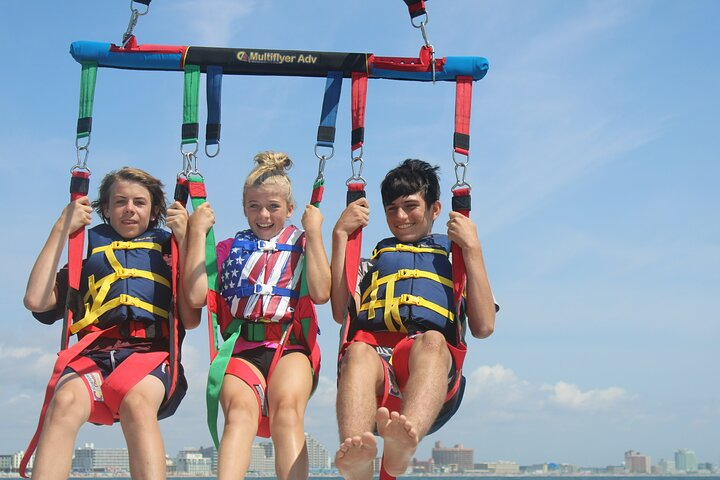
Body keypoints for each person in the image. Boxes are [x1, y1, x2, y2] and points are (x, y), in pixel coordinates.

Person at [22, 167, 201, 480]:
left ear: (155, 210)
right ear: (104, 209)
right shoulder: (88, 257)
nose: (129, 208)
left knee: (137, 404)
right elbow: (36, 300)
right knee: (63, 401)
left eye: (139, 202)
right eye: (120, 201)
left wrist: (186, 239)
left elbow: (191, 318)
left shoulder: (169, 255)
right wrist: (61, 228)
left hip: (150, 356)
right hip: (94, 357)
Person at [330, 159, 498, 480]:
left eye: (410, 206)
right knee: (358, 351)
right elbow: (341, 312)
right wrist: (341, 235)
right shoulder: (373, 264)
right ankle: (358, 457)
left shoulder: (455, 261)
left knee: (432, 340)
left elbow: (484, 326)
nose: (400, 217)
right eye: (391, 209)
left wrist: (473, 248)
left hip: (432, 384)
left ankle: (405, 440)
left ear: (435, 209)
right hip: (376, 380)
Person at [184, 151, 331, 480]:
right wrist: (196, 233)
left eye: (273, 206)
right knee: (239, 414)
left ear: (289, 209)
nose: (263, 215)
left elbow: (321, 292)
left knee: (287, 412)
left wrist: (315, 234)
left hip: (289, 347)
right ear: (244, 208)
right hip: (242, 350)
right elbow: (196, 297)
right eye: (254, 206)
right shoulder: (227, 248)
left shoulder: (303, 242)